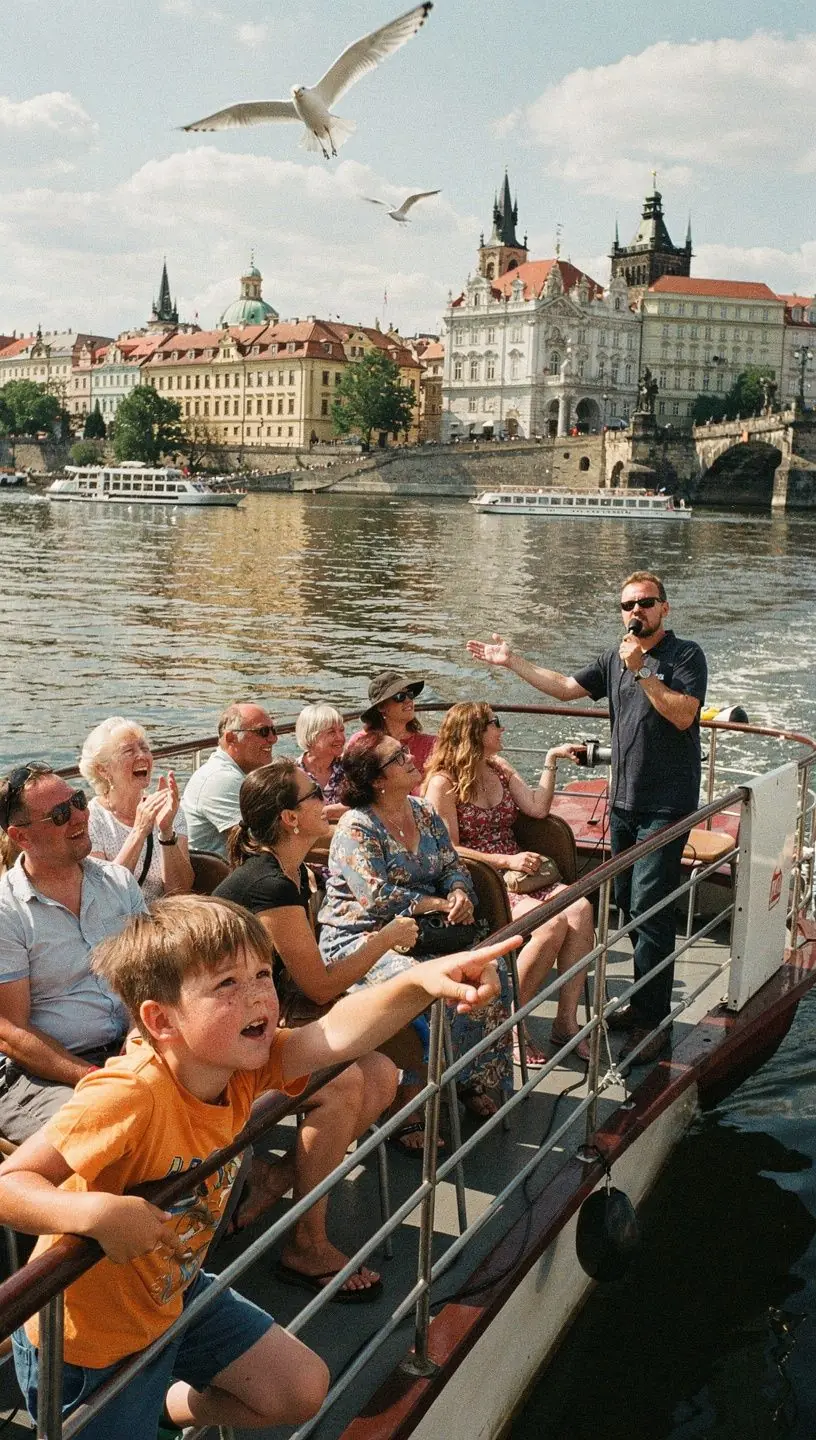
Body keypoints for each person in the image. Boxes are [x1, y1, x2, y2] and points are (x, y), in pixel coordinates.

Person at [0, 894, 515, 1438]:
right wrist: (94, 1213)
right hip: (88, 1345)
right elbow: (11, 1185)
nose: (258, 999)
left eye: (262, 974)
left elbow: (336, 1033)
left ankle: (159, 1405)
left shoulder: (241, 1067)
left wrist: (420, 982)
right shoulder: (129, 1095)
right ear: (160, 1019)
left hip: (173, 1293)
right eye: (227, 984)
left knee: (299, 1389)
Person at [467, 570, 707, 1064]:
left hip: (666, 806)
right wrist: (512, 661)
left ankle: (652, 1022)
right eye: (627, 605)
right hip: (623, 802)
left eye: (645, 603)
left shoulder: (685, 656)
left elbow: (684, 714)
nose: (635, 611)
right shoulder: (613, 658)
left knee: (649, 905)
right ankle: (643, 1003)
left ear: (665, 608)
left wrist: (642, 670)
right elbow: (563, 689)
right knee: (624, 900)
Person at [212, 760, 412, 1289]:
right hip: (218, 1047)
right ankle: (306, 1245)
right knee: (342, 1080)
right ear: (289, 818)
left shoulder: (293, 872)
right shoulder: (267, 887)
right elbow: (319, 986)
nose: (325, 798)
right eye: (313, 795)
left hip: (250, 1030)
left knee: (383, 1074)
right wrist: (386, 939)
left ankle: (277, 1177)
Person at [319, 733, 514, 1144]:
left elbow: (452, 865)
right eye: (398, 757)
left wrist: (459, 891)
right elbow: (375, 896)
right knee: (425, 989)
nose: (411, 758)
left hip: (426, 931)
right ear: (377, 779)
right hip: (365, 938)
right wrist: (436, 905)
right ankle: (408, 1106)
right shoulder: (358, 826)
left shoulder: (423, 812)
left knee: (489, 976)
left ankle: (468, 1077)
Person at [423, 703, 595, 1064]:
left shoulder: (498, 768)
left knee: (580, 908)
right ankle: (508, 1026)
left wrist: (550, 761)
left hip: (520, 874)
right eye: (494, 724)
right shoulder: (443, 783)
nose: (502, 729)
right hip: (481, 879)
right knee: (550, 924)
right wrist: (506, 861)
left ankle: (566, 1021)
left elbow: (536, 809)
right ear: (473, 732)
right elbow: (448, 847)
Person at [0, 764, 145, 1143]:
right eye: (61, 814)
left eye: (78, 801)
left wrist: (136, 1045)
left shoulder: (118, 882)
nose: (81, 816)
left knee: (219, 1092)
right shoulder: (6, 912)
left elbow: (146, 974)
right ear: (21, 836)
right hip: (39, 1072)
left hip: (128, 1048)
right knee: (108, 1135)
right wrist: (94, 1078)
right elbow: (11, 1032)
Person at [80, 716, 194, 904]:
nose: (142, 756)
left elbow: (179, 891)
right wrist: (140, 831)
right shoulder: (91, 819)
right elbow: (106, 894)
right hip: (119, 923)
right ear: (103, 770)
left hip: (164, 919)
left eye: (145, 748)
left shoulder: (169, 809)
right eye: (129, 751)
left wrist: (166, 832)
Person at [181, 702, 277, 859]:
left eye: (274, 730)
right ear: (231, 738)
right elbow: (262, 843)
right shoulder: (220, 779)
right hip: (219, 879)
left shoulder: (239, 775)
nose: (273, 739)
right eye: (263, 731)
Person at [357, 671, 435, 790]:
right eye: (400, 697)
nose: (408, 700)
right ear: (381, 707)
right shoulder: (362, 744)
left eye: (410, 694)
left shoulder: (431, 744)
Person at [295, 703, 347, 822]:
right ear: (312, 736)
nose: (340, 738)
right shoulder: (293, 774)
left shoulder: (349, 768)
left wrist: (345, 809)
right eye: (331, 732)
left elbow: (369, 805)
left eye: (342, 730)